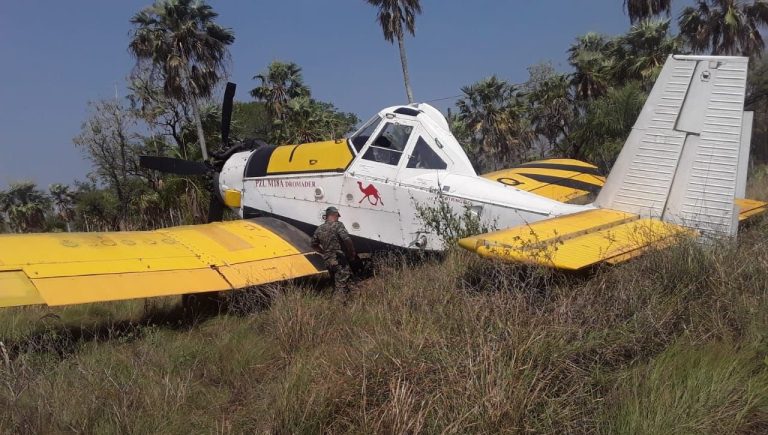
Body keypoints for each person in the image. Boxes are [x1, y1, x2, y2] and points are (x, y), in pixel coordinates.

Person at [311, 206, 358, 294]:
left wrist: (324, 252)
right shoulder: (338, 225)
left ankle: (350, 301)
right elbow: (347, 239)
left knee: (338, 283)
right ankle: (338, 304)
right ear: (334, 215)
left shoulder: (319, 229)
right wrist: (352, 253)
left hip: (328, 261)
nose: (338, 218)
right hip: (338, 259)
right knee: (341, 286)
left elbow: (313, 244)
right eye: (337, 216)